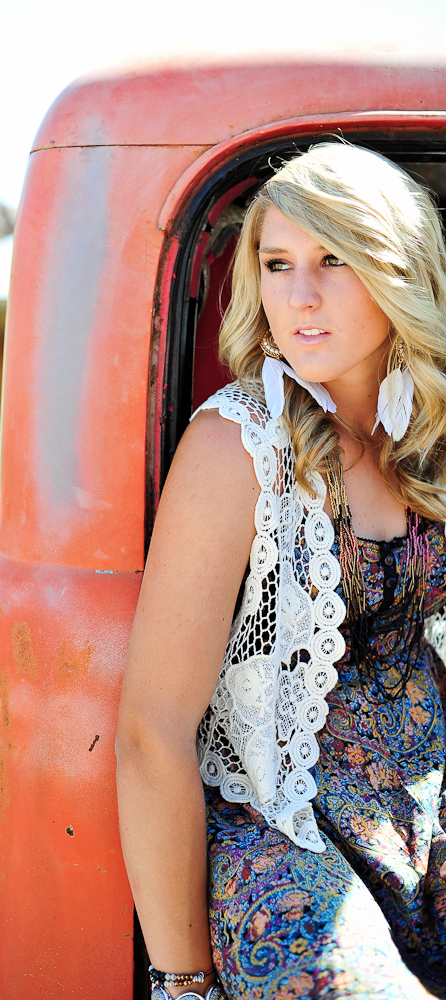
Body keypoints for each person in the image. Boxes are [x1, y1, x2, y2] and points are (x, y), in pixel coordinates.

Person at [116, 141, 446, 1000]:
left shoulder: (430, 430)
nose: (298, 296)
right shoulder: (237, 445)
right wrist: (182, 983)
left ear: (399, 272)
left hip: (425, 795)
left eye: (332, 260)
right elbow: (151, 729)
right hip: (282, 813)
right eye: (276, 264)